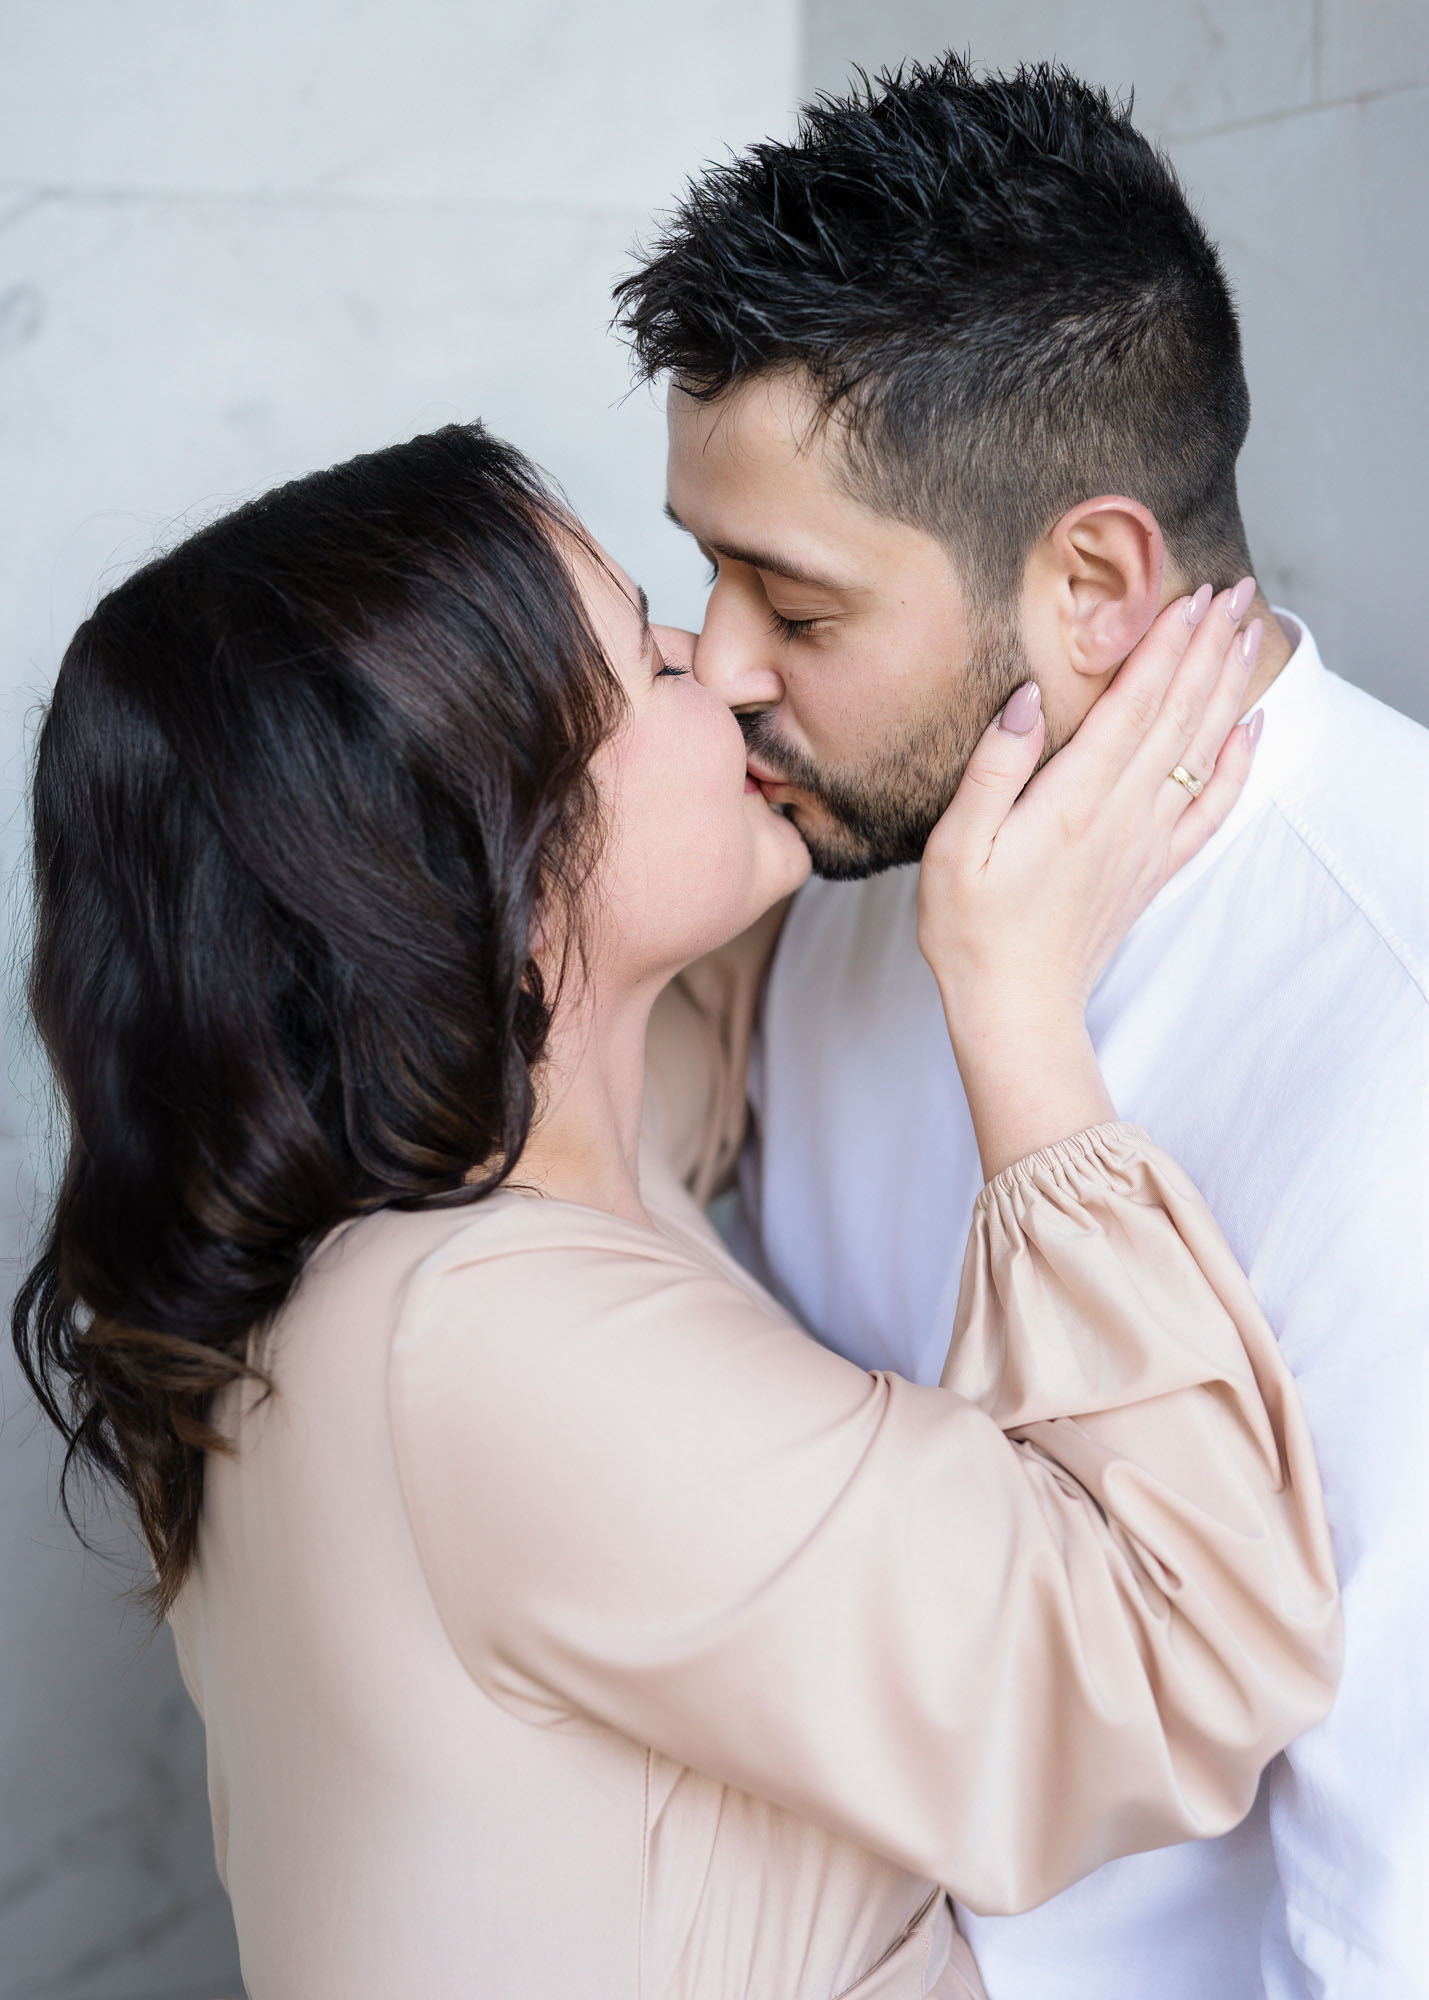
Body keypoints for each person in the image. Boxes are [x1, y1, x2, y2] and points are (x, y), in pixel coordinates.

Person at [10, 423, 1337, 1998]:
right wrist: (1013, 1001)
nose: (722, 669)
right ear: (497, 857)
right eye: (648, 656)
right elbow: (1170, 1662)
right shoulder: (480, 1344)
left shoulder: (410, 1218)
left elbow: (662, 1040)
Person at [615, 54, 1429, 2000]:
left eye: (794, 605)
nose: (717, 668)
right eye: (704, 568)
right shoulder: (846, 846)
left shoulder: (1389, 1017)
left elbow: (1381, 1920)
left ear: (1091, 583)